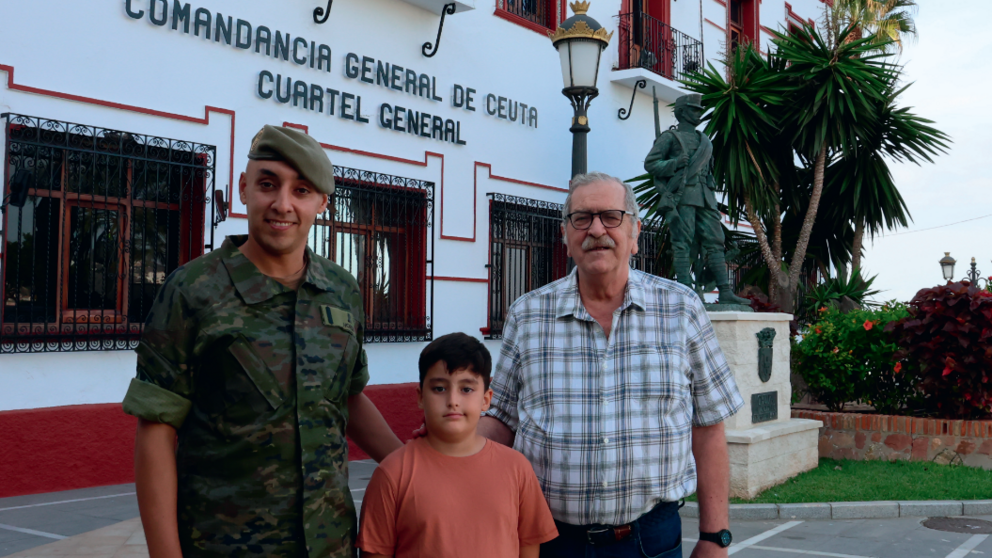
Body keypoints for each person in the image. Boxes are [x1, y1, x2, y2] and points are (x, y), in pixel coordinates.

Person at [122, 125, 403, 558]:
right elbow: (157, 428)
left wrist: (410, 465)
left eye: (302, 190)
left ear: (321, 204)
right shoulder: (193, 290)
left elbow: (347, 396)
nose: (283, 204)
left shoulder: (341, 290)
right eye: (268, 184)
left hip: (330, 544)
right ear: (243, 188)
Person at [481, 172, 745, 558]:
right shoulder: (528, 315)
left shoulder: (681, 309)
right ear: (566, 237)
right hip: (548, 540)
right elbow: (500, 419)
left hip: (650, 539)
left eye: (611, 216)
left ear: (635, 233)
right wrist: (445, 443)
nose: (596, 229)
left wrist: (715, 536)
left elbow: (708, 426)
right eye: (582, 218)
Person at [357, 333, 558, 558]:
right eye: (440, 389)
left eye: (466, 389)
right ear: (420, 396)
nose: (453, 400)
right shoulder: (392, 474)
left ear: (486, 399)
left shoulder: (517, 469)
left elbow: (528, 547)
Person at [644, 94, 751, 306]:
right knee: (682, 242)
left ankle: (726, 291)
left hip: (706, 196)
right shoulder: (670, 138)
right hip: (683, 195)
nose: (699, 113)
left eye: (699, 110)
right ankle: (685, 287)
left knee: (716, 242)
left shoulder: (704, 140)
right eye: (694, 110)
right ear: (682, 112)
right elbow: (651, 164)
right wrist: (674, 163)